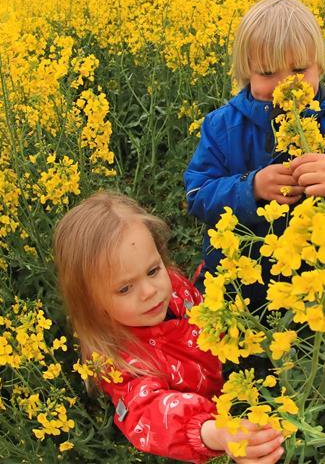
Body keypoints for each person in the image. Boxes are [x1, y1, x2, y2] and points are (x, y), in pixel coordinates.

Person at [184, 0, 325, 313]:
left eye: (299, 69)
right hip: (237, 286)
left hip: (313, 291)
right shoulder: (221, 126)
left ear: (320, 67)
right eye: (268, 73)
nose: (287, 84)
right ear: (246, 74)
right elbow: (196, 196)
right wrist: (250, 187)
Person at [52, 191, 285, 464]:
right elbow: (148, 413)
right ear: (93, 302)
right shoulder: (117, 361)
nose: (150, 291)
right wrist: (214, 432)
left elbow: (198, 308)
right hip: (209, 421)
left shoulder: (170, 285)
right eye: (125, 288)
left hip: (228, 370)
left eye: (153, 270)